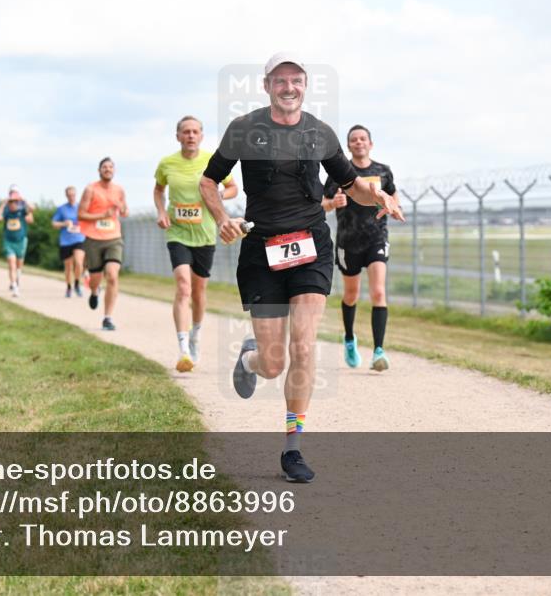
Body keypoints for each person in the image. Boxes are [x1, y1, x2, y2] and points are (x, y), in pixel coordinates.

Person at [200, 53, 404, 483]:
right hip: (261, 250)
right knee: (273, 363)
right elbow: (208, 181)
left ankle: (293, 447)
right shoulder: (244, 130)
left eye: (296, 80)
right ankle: (250, 358)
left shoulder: (320, 133)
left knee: (305, 345)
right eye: (280, 80)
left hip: (311, 247)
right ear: (267, 85)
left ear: (305, 85)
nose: (288, 87)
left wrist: (378, 195)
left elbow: (352, 186)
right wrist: (223, 219)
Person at [154, 115, 238, 372]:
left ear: (201, 136)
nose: (190, 136)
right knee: (183, 287)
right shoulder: (167, 163)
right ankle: (183, 349)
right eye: (185, 132)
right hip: (177, 233)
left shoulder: (211, 161)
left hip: (204, 234)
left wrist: (221, 194)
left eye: (195, 132)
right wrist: (161, 211)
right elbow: (159, 190)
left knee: (199, 292)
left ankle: (195, 335)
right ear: (177, 136)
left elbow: (233, 187)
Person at [323, 125, 397, 371]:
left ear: (370, 144)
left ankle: (378, 351)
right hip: (348, 240)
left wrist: (392, 207)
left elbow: (394, 198)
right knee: (351, 295)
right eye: (353, 140)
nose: (358, 142)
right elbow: (321, 203)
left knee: (378, 292)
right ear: (348, 146)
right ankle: (349, 339)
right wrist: (333, 202)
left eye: (362, 138)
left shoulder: (383, 171)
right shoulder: (339, 171)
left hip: (376, 237)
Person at [79, 158, 128, 330]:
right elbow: (81, 214)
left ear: (114, 170)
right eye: (104, 167)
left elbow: (125, 212)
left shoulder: (119, 190)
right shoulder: (91, 189)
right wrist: (102, 215)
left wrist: (121, 207)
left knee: (112, 275)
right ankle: (94, 291)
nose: (108, 169)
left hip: (114, 238)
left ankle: (108, 318)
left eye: (110, 167)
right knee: (95, 278)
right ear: (99, 170)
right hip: (93, 239)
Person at [0, 185, 34, 297]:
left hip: (21, 241)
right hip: (8, 241)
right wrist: (3, 204)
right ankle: (15, 287)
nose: (13, 202)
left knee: (19, 265)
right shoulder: (6, 210)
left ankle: (17, 280)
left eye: (15, 200)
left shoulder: (22, 209)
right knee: (12, 264)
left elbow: (32, 213)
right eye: (11, 200)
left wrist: (24, 200)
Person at [52, 186, 87, 298]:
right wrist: (63, 224)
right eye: (69, 195)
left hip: (79, 239)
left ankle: (77, 284)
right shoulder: (61, 209)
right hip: (66, 241)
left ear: (76, 195)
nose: (71, 197)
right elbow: (54, 224)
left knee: (79, 262)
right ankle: (68, 287)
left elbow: (88, 220)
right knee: (68, 267)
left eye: (73, 195)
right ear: (66, 196)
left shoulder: (81, 207)